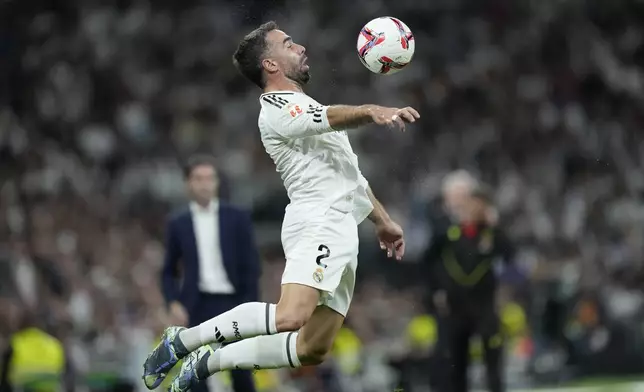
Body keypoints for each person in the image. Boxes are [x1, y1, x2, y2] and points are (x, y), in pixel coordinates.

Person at [142, 21, 419, 392]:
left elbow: (349, 176)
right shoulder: (275, 108)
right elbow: (326, 118)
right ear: (270, 65)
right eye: (288, 44)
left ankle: (208, 361)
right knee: (291, 315)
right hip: (318, 220)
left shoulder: (306, 103)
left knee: (312, 348)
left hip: (341, 228)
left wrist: (382, 221)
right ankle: (185, 340)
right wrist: (371, 110)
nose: (301, 46)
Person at [160, 155, 260, 392]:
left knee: (241, 368)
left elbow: (252, 266)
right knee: (194, 373)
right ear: (188, 184)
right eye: (198, 178)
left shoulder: (237, 217)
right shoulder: (178, 222)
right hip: (196, 304)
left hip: (233, 302)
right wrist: (173, 301)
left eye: (209, 178)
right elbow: (168, 270)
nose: (205, 184)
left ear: (216, 182)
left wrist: (250, 305)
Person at [423, 177, 514, 392]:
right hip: (456, 307)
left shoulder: (491, 234)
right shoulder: (448, 232)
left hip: (484, 305)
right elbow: (428, 262)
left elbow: (509, 255)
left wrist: (494, 227)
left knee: (493, 358)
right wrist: (436, 291)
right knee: (456, 361)